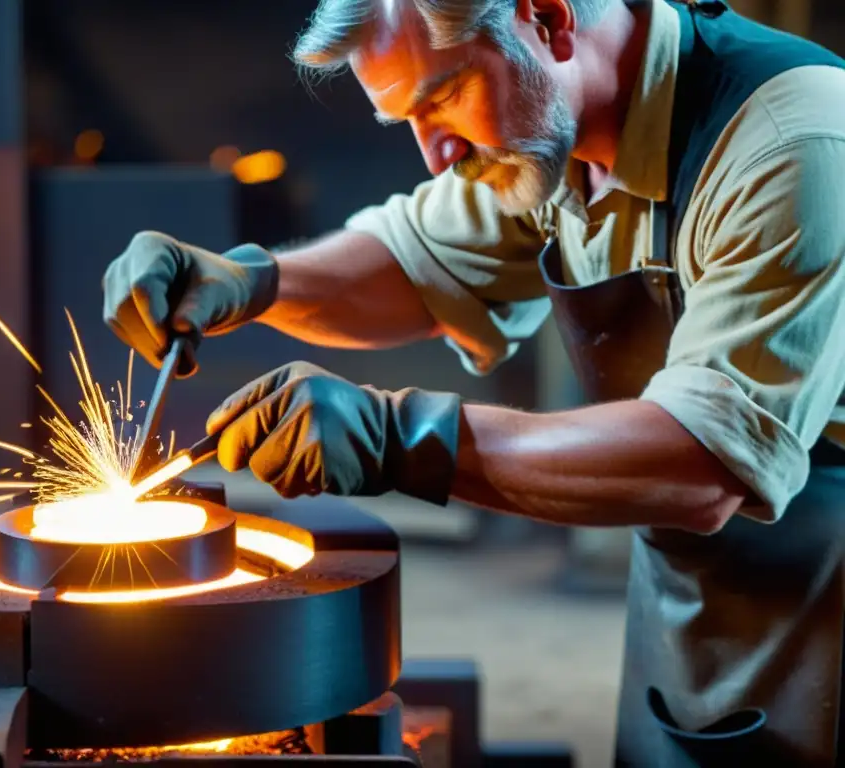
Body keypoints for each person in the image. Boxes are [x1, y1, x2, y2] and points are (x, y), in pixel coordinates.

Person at [102, 0, 845, 764]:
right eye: (408, 119)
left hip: (826, 605)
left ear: (549, 20)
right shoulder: (554, 124)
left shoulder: (796, 141)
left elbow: (702, 466)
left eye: (443, 96)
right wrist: (247, 281)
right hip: (695, 604)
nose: (436, 153)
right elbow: (415, 264)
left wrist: (401, 438)